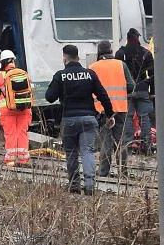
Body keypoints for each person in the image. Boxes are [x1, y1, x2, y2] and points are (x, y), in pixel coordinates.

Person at [45, 44, 114, 195]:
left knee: (71, 153)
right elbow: (103, 95)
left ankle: (74, 186)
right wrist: (110, 114)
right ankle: (89, 186)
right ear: (78, 57)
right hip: (89, 119)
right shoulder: (90, 74)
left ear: (65, 57)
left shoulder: (60, 75)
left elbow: (49, 97)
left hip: (69, 119)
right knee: (87, 152)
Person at [90, 41, 135, 177]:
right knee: (121, 141)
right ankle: (124, 172)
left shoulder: (93, 67)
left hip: (101, 109)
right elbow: (131, 86)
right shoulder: (121, 65)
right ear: (111, 51)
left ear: (99, 52)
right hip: (120, 108)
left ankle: (103, 171)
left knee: (105, 141)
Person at [116, 28, 155, 153]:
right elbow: (153, 74)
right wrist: (151, 90)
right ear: (138, 38)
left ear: (127, 38)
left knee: (127, 117)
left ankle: (127, 146)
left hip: (126, 91)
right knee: (145, 118)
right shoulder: (146, 53)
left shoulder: (120, 53)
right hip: (143, 89)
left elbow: (118, 73)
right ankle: (147, 146)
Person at [0, 50, 34, 167]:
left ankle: (10, 161)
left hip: (7, 110)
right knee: (22, 133)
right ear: (13, 61)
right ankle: (23, 159)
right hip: (24, 109)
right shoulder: (23, 73)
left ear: (2, 62)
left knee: (10, 134)